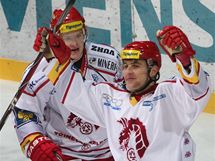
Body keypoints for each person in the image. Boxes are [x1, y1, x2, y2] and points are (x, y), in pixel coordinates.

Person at [34, 25, 211, 161]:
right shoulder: (111, 97)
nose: (127, 72)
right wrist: (54, 58)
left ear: (153, 69)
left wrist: (184, 59)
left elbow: (197, 90)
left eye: (135, 66)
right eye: (125, 66)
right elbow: (73, 92)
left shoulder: (169, 94)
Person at [13, 7, 123, 161]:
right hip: (63, 152)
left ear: (85, 32)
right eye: (67, 37)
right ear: (56, 39)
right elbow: (24, 110)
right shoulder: (39, 70)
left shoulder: (109, 59)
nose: (74, 43)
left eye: (79, 35)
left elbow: (126, 101)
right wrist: (35, 143)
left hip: (110, 150)